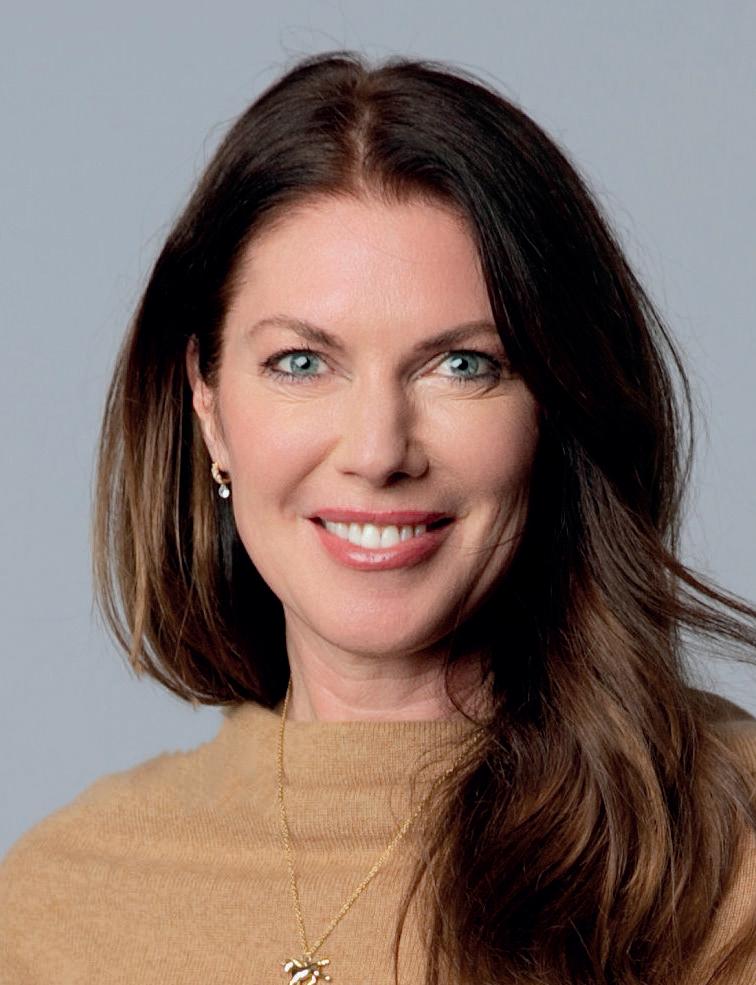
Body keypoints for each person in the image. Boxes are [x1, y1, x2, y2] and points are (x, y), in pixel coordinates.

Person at [0, 49, 754, 985]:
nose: (377, 450)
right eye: (302, 363)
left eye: (463, 365)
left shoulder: (726, 849)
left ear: (558, 407)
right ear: (208, 403)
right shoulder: (59, 900)